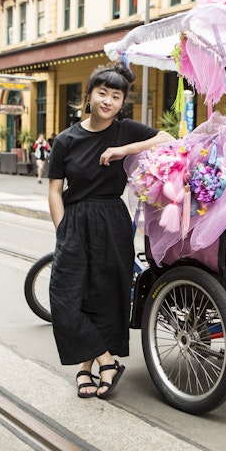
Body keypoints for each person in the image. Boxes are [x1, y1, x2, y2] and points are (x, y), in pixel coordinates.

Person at [46, 62, 174, 400]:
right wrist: (63, 232)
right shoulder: (66, 140)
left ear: (121, 103)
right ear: (88, 96)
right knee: (64, 298)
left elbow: (168, 138)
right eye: (102, 93)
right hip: (74, 219)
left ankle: (87, 368)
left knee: (105, 295)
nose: (108, 101)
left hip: (111, 218)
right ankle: (107, 360)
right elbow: (54, 191)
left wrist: (124, 149)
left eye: (115, 96)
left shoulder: (124, 130)